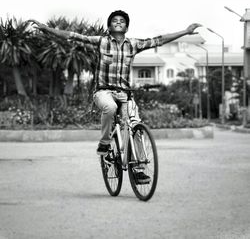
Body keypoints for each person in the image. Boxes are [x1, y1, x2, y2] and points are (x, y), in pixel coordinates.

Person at [29, 10, 201, 183]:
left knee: (135, 127)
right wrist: (46, 29)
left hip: (125, 94)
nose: (118, 22)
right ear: (110, 26)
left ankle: (138, 169)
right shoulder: (101, 42)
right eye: (114, 20)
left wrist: (185, 31)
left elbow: (159, 40)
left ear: (126, 26)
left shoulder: (133, 45)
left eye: (122, 21)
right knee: (110, 107)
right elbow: (72, 36)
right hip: (103, 91)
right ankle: (104, 143)